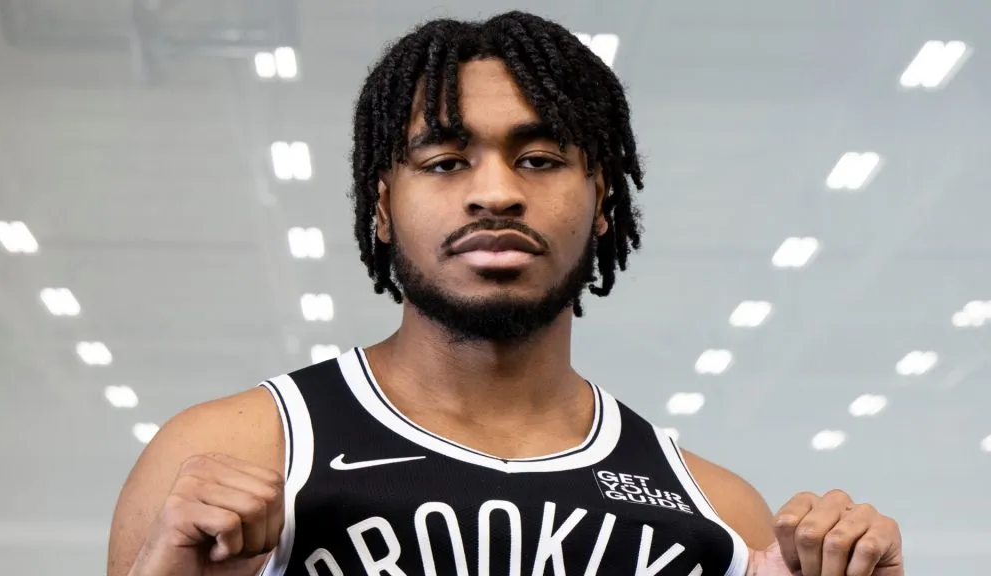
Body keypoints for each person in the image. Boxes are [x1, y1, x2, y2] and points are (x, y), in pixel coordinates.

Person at [108, 11, 904, 576]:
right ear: (381, 206)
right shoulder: (231, 456)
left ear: (604, 205)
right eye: (446, 162)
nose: (495, 193)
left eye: (539, 159)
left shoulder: (725, 516)